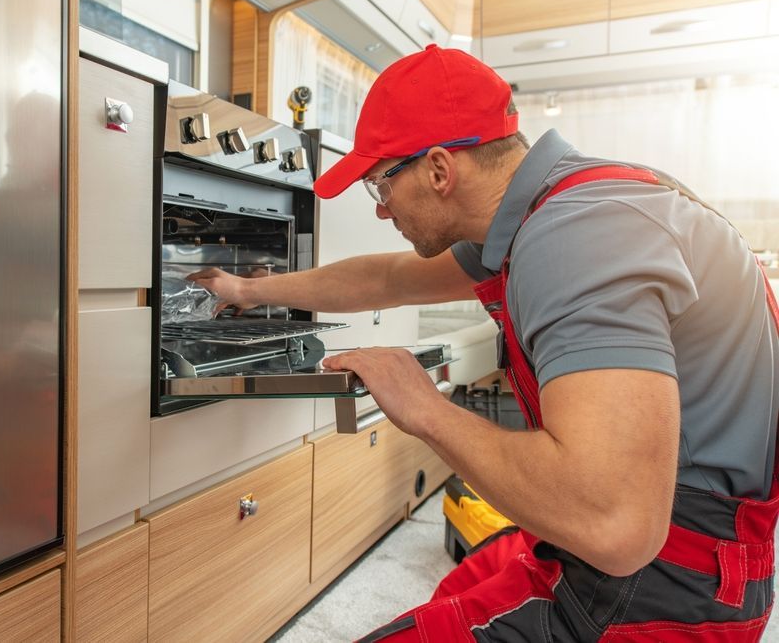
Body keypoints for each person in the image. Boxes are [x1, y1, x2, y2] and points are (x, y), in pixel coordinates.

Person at [189, 46, 779, 641]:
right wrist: (247, 288)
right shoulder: (557, 208)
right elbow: (386, 279)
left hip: (660, 594)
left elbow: (616, 527)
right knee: (456, 589)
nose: (381, 211)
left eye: (380, 187)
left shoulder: (576, 236)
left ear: (440, 170)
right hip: (666, 556)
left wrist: (425, 410)